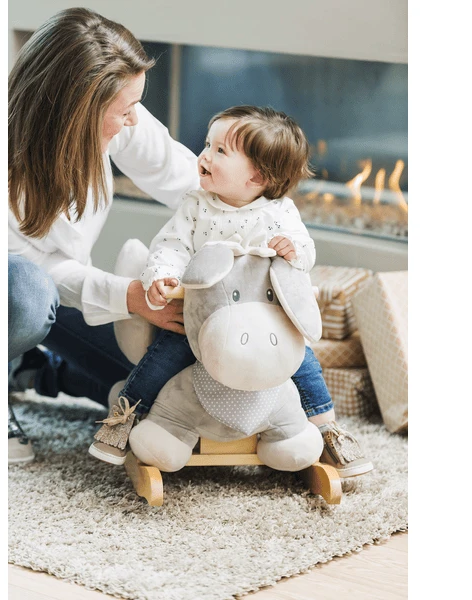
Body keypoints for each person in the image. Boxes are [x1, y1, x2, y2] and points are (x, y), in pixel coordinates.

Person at [89, 106, 373, 478]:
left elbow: (305, 251)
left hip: (264, 319)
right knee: (163, 355)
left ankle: (326, 429)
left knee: (302, 360)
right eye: (208, 145)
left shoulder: (279, 212)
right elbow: (171, 245)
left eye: (220, 150)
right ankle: (126, 415)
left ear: (258, 176)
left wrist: (292, 250)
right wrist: (162, 275)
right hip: (203, 318)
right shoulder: (196, 205)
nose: (204, 156)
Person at [8, 7, 200, 463]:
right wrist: (129, 296)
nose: (134, 120)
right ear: (75, 111)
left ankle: (29, 369)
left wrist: (261, 223)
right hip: (9, 288)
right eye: (125, 110)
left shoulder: (116, 114)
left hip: (62, 291)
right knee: (26, 295)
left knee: (150, 390)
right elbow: (37, 268)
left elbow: (189, 181)